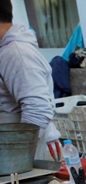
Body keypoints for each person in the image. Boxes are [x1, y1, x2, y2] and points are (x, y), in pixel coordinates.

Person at [0, 0, 61, 161]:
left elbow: (38, 109)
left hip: (29, 157)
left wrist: (15, 157)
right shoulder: (6, 51)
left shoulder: (16, 54)